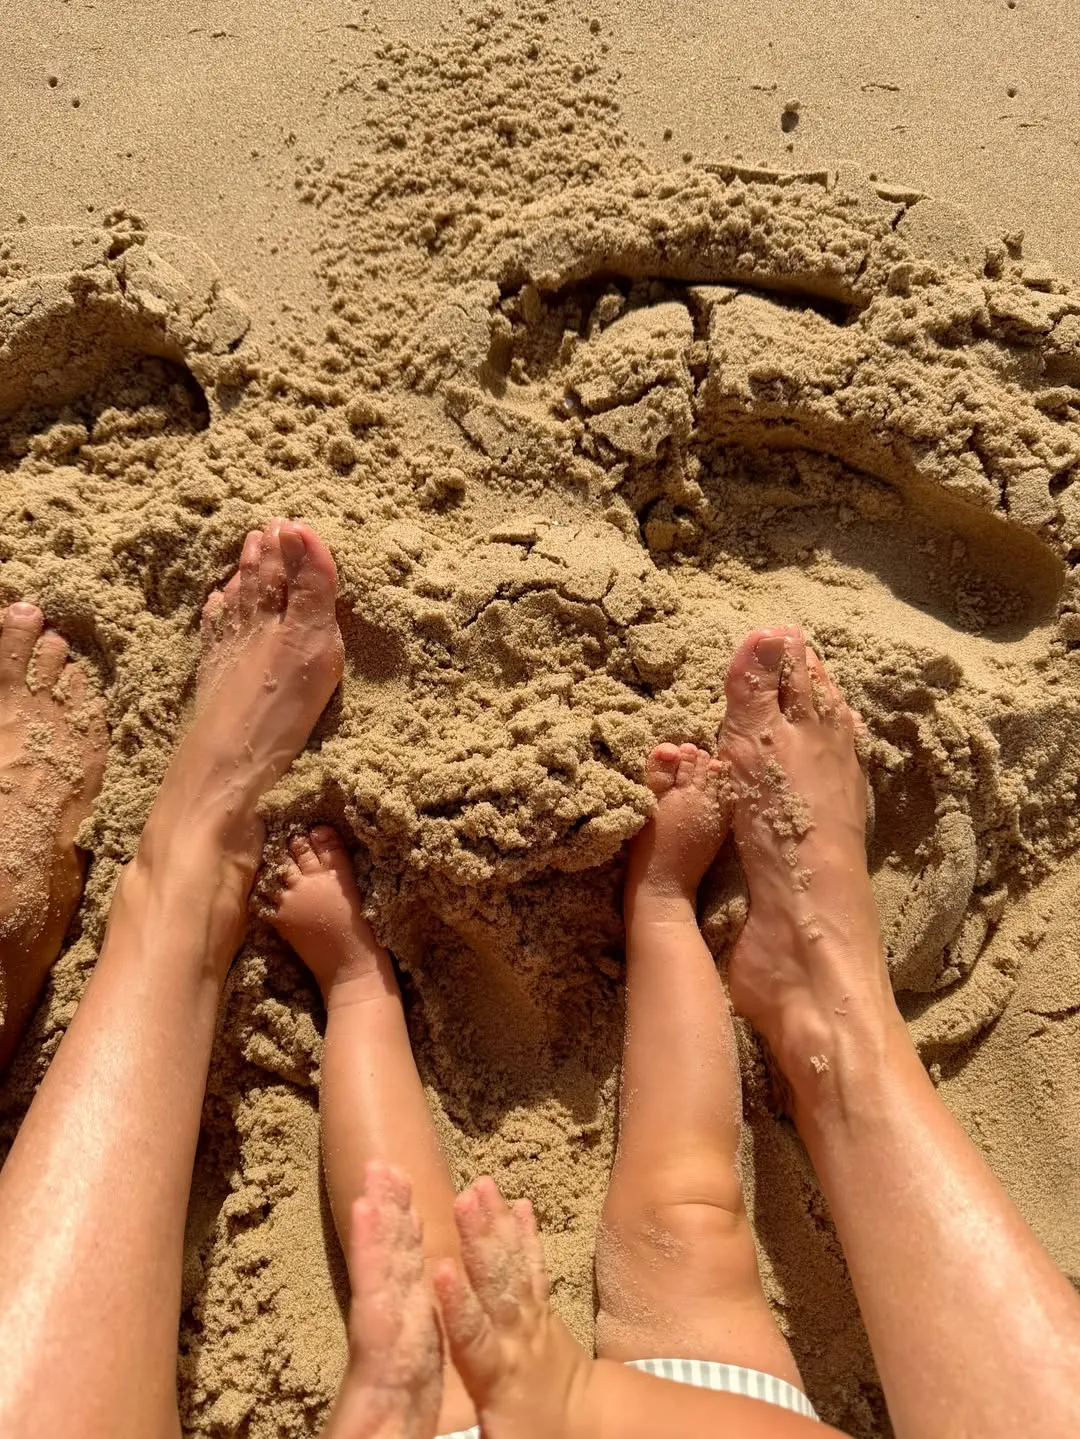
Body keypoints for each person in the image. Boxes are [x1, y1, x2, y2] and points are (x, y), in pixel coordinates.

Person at [0, 521, 1075, 1439]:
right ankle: (722, 944)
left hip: (443, 1416)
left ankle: (336, 972)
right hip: (703, 1397)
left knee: (416, 1250)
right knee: (687, 1218)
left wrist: (421, 1403)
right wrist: (561, 1398)